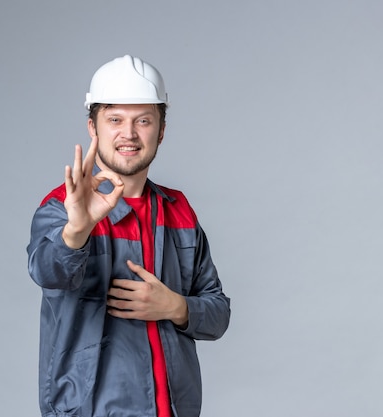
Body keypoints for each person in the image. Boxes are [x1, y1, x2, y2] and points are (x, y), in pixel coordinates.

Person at [27, 55, 231, 417]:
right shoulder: (62, 207)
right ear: (93, 127)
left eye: (144, 121)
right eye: (115, 120)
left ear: (161, 130)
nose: (130, 134)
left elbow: (218, 312)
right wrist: (77, 230)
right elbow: (48, 272)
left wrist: (177, 307)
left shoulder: (178, 210)